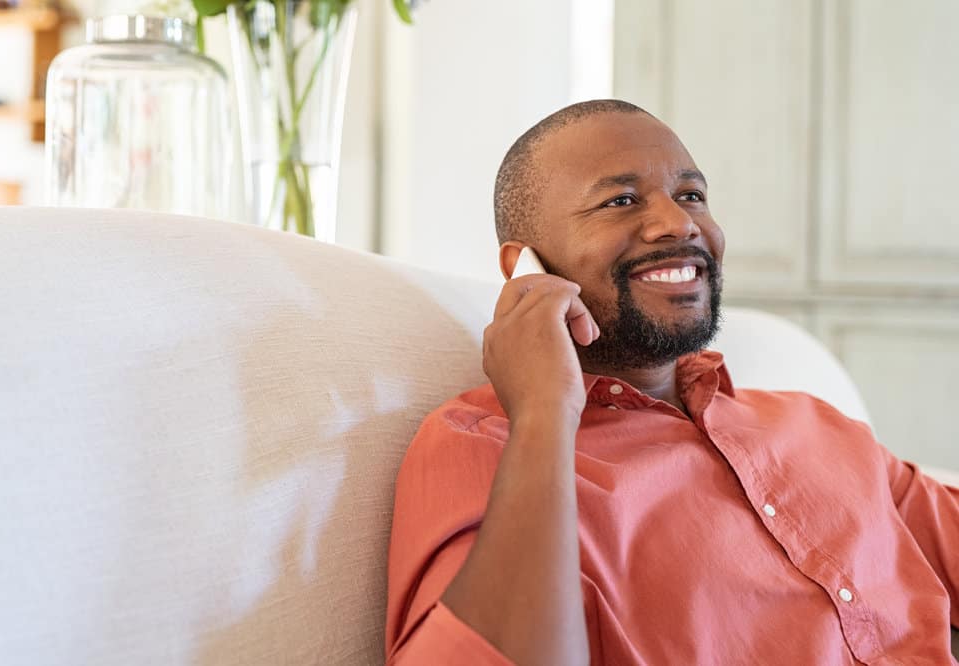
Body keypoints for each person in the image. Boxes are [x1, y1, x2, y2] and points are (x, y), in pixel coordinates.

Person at [383, 99, 959, 665]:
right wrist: (543, 409)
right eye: (621, 200)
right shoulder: (484, 445)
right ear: (526, 267)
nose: (679, 223)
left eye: (691, 195)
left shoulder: (816, 424)